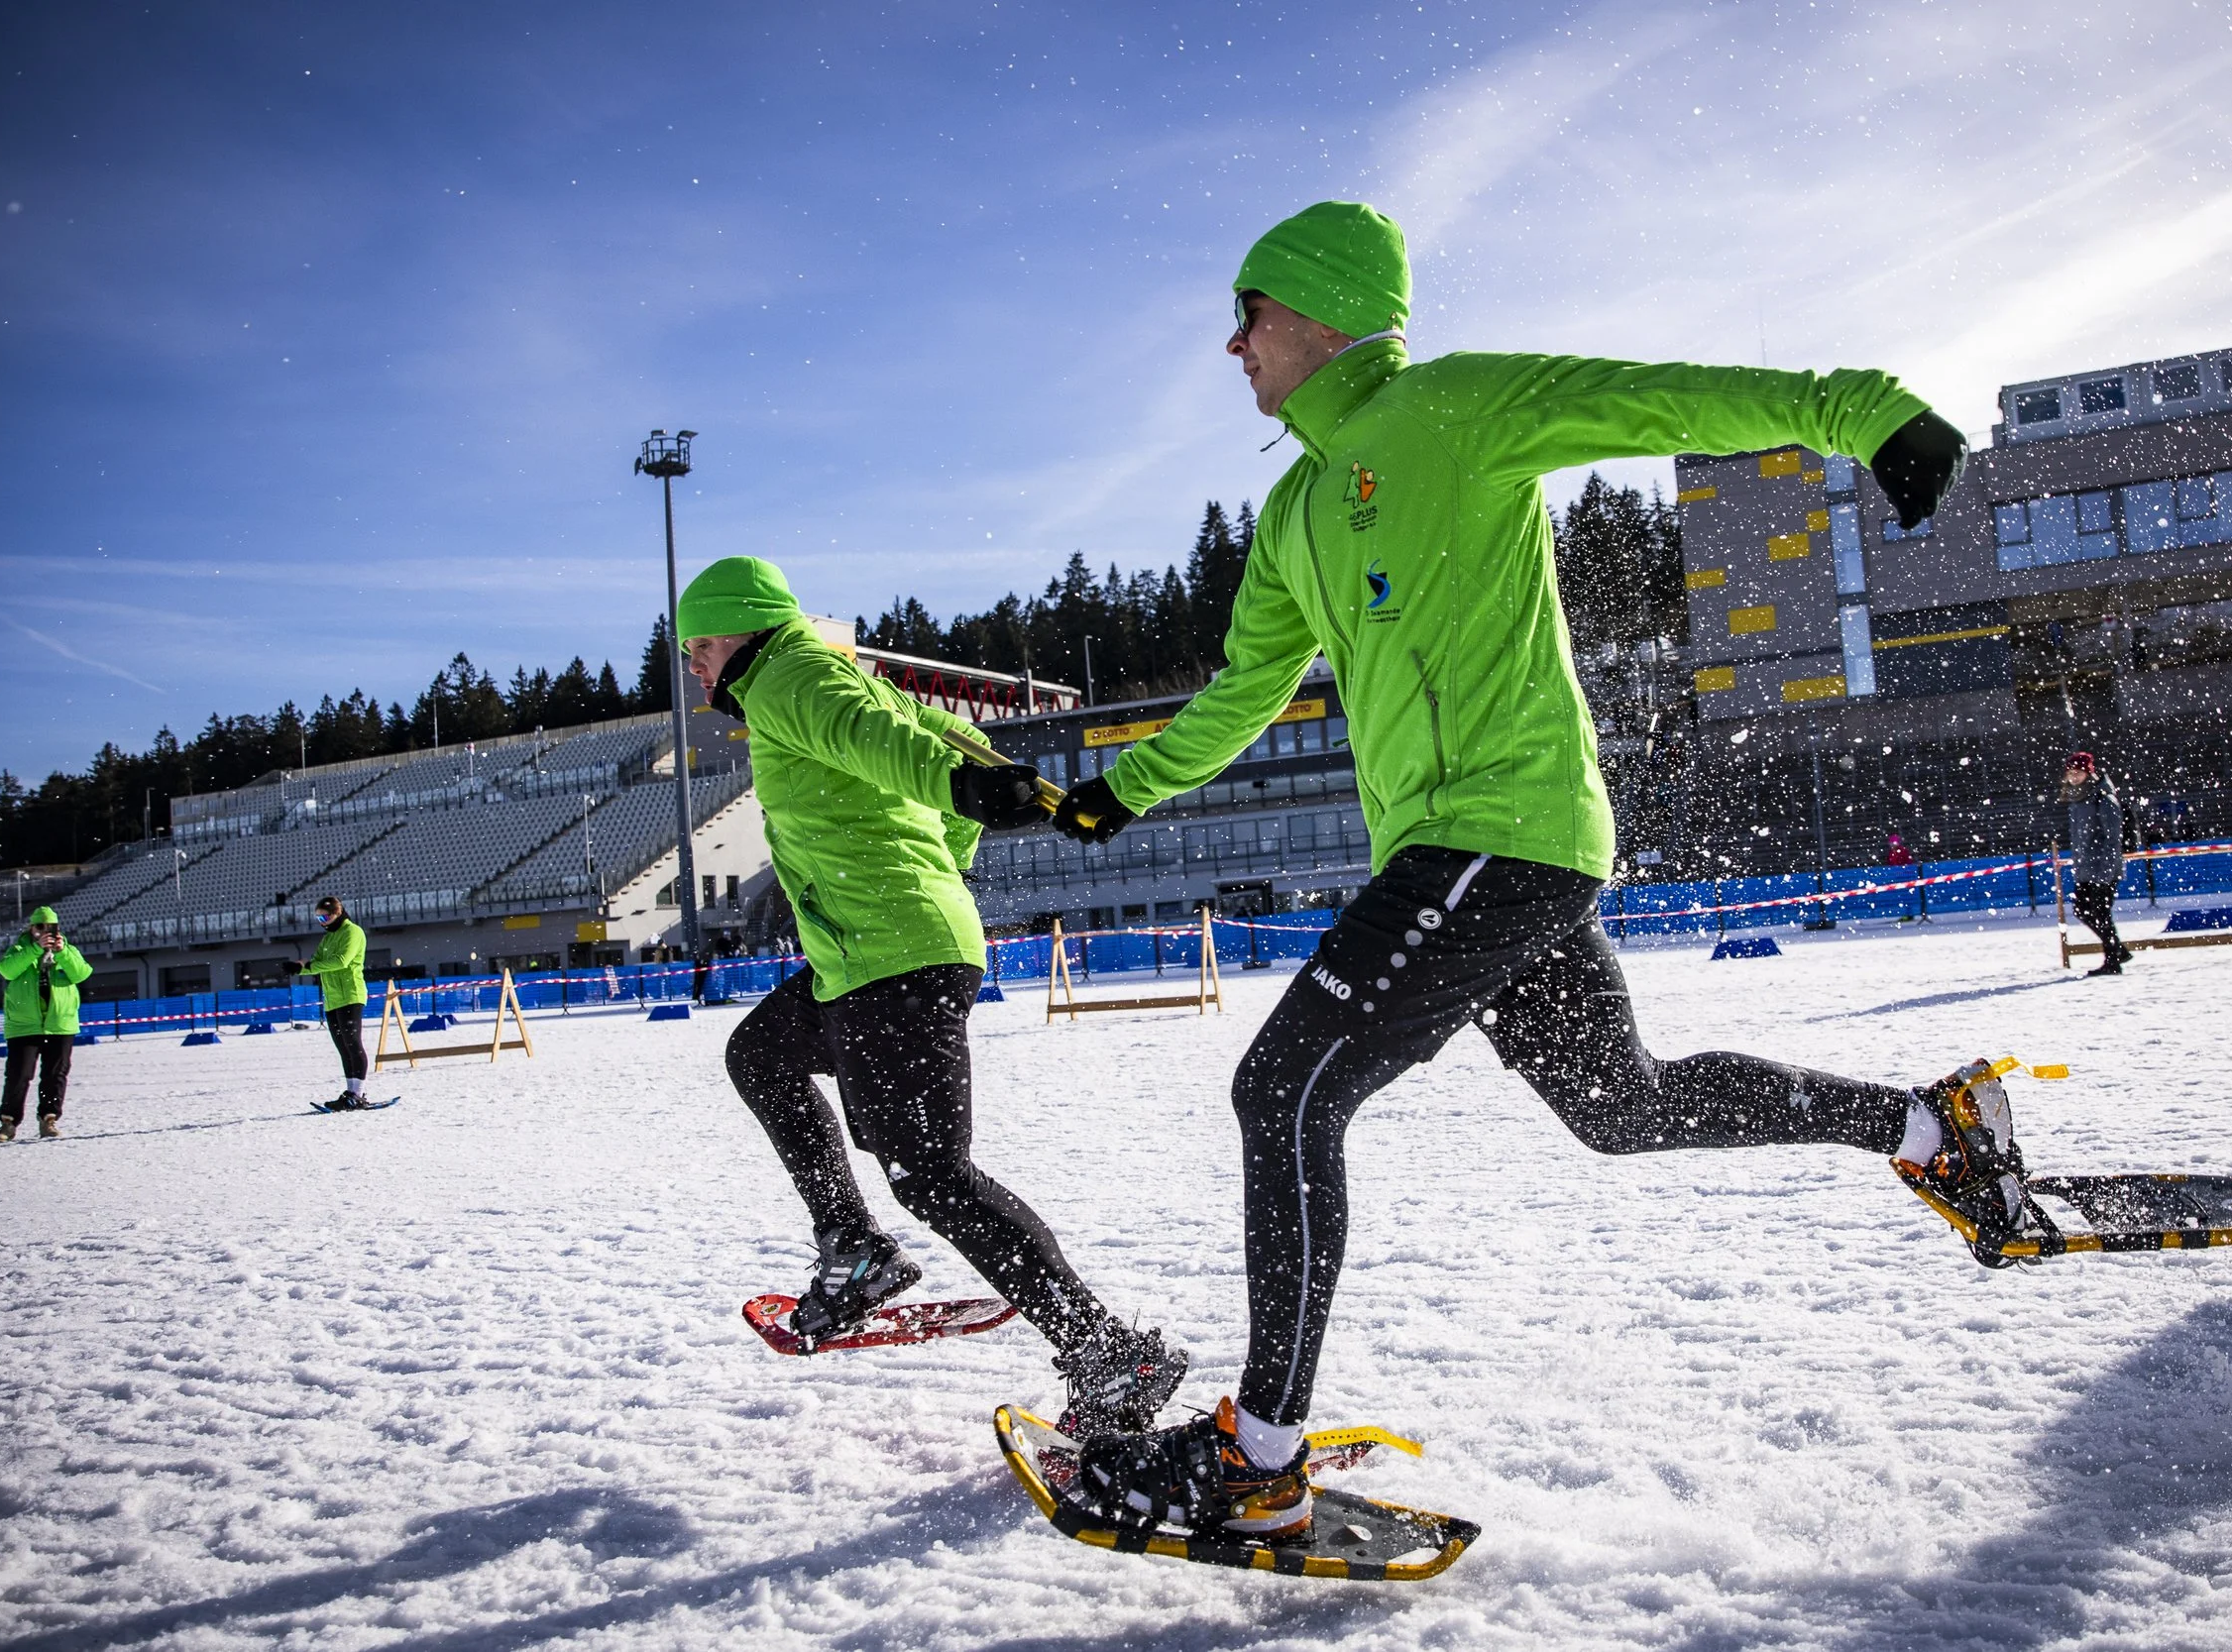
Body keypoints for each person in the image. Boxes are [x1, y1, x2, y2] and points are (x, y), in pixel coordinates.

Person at [1048, 200, 2037, 1540]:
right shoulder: (1292, 513)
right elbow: (1246, 687)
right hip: (1473, 859)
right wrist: (1127, 788)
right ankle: (1932, 1127)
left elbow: (1660, 395)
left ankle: (1256, 1454)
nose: (1233, 345)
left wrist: (1866, 411)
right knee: (1621, 1107)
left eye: (1253, 312)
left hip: (1501, 832)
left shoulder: (1456, 409)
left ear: (1327, 310)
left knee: (1282, 1089)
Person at [676, 555, 1186, 1438]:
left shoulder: (790, 675)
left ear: (744, 632)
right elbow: (942, 744)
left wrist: (958, 804)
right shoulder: (840, 677)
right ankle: (853, 1244)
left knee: (934, 1177)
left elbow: (900, 751)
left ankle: (1105, 1350)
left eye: (703, 645)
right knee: (759, 1052)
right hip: (870, 951)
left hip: (890, 956)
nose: (694, 666)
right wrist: (954, 835)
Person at [0, 906, 91, 1142]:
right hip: (24, 1026)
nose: (44, 932)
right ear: (31, 928)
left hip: (60, 1023)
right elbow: (6, 970)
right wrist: (35, 950)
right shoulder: (19, 949)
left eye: (51, 928)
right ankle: (9, 1122)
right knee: (19, 1074)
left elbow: (82, 973)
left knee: (55, 1074)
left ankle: (49, 1118)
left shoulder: (67, 950)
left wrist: (63, 952)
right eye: (40, 927)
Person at [296, 896, 373, 1107]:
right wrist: (299, 967)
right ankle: (351, 1091)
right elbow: (318, 961)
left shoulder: (353, 931)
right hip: (332, 999)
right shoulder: (328, 938)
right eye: (318, 917)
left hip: (350, 994)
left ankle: (358, 1093)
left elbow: (342, 961)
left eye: (326, 916)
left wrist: (310, 967)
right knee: (343, 1047)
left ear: (338, 913)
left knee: (353, 1043)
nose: (322, 921)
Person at [2060, 751, 2130, 976]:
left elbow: (2113, 839)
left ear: (2088, 773)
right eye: (2070, 773)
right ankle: (2117, 950)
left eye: (2077, 773)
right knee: (2082, 910)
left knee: (2101, 913)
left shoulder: (2103, 798)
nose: (2073, 777)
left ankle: (2113, 960)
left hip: (2103, 869)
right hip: (2086, 869)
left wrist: (2104, 874)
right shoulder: (2078, 799)